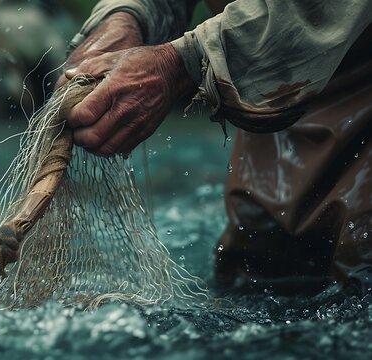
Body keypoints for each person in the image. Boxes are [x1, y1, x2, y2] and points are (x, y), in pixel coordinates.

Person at [58, 0, 372, 291]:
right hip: (271, 98)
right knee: (257, 274)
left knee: (359, 266)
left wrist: (181, 63)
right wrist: (129, 17)